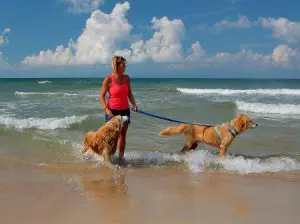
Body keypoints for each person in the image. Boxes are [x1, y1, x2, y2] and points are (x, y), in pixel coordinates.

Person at [100, 56, 138, 165]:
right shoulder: (108, 79)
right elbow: (102, 96)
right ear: (117, 66)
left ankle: (120, 159)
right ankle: (108, 159)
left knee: (123, 135)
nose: (125, 66)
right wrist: (106, 109)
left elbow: (129, 93)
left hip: (125, 111)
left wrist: (134, 104)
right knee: (110, 137)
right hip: (112, 112)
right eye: (123, 65)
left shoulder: (127, 78)